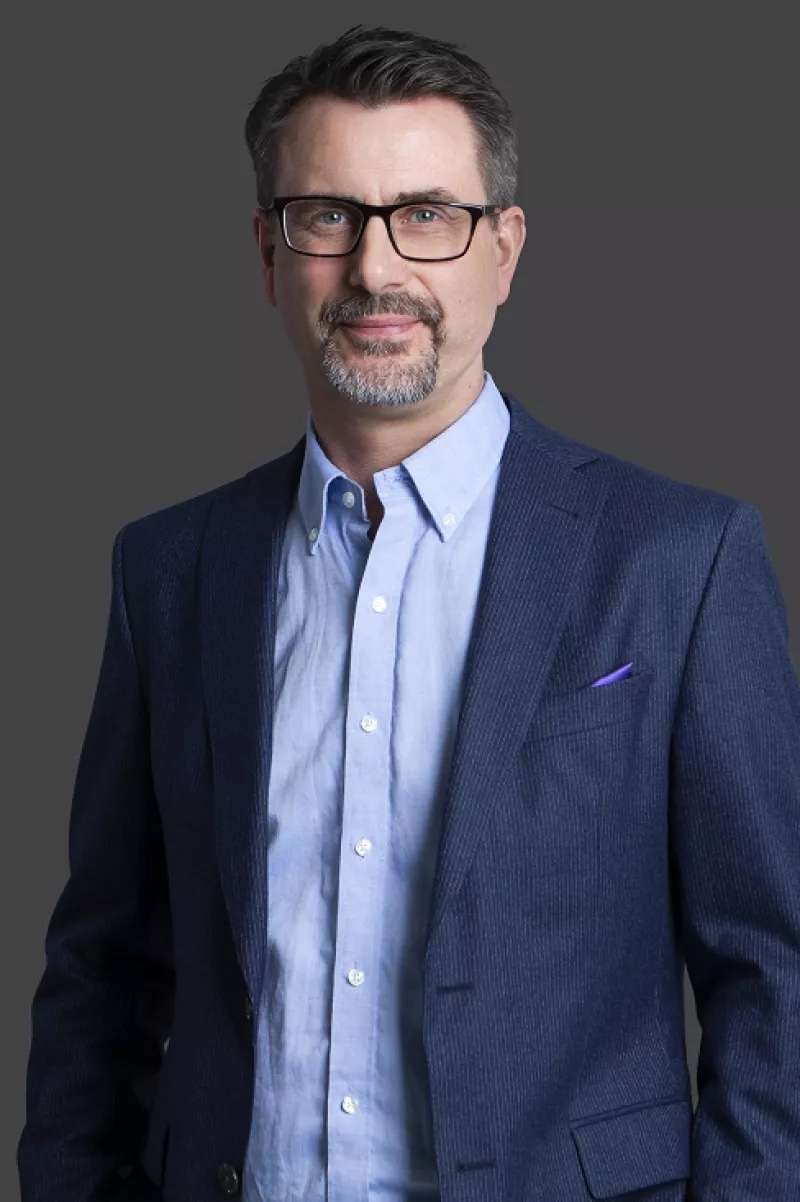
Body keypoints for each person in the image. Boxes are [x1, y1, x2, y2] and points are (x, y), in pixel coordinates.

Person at [18, 23, 800, 1202]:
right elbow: (101, 969)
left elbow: (772, 969)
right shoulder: (170, 570)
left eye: (427, 214)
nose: (376, 269)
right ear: (268, 252)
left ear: (503, 250)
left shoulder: (676, 559)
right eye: (327, 215)